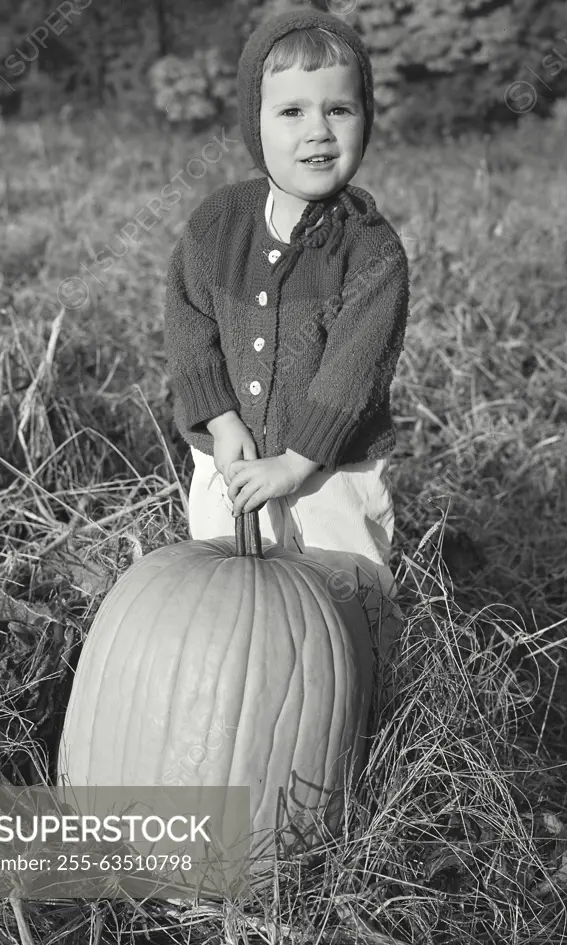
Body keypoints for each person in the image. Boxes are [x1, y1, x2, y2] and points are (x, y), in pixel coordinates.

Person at [163, 8, 410, 662]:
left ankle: (362, 705)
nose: (318, 132)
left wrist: (296, 464)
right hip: (231, 461)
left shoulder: (371, 251)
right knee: (230, 607)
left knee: (344, 598)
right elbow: (189, 325)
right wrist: (219, 421)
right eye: (291, 112)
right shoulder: (219, 224)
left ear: (365, 119)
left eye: (339, 110)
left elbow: (353, 374)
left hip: (330, 471)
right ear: (254, 122)